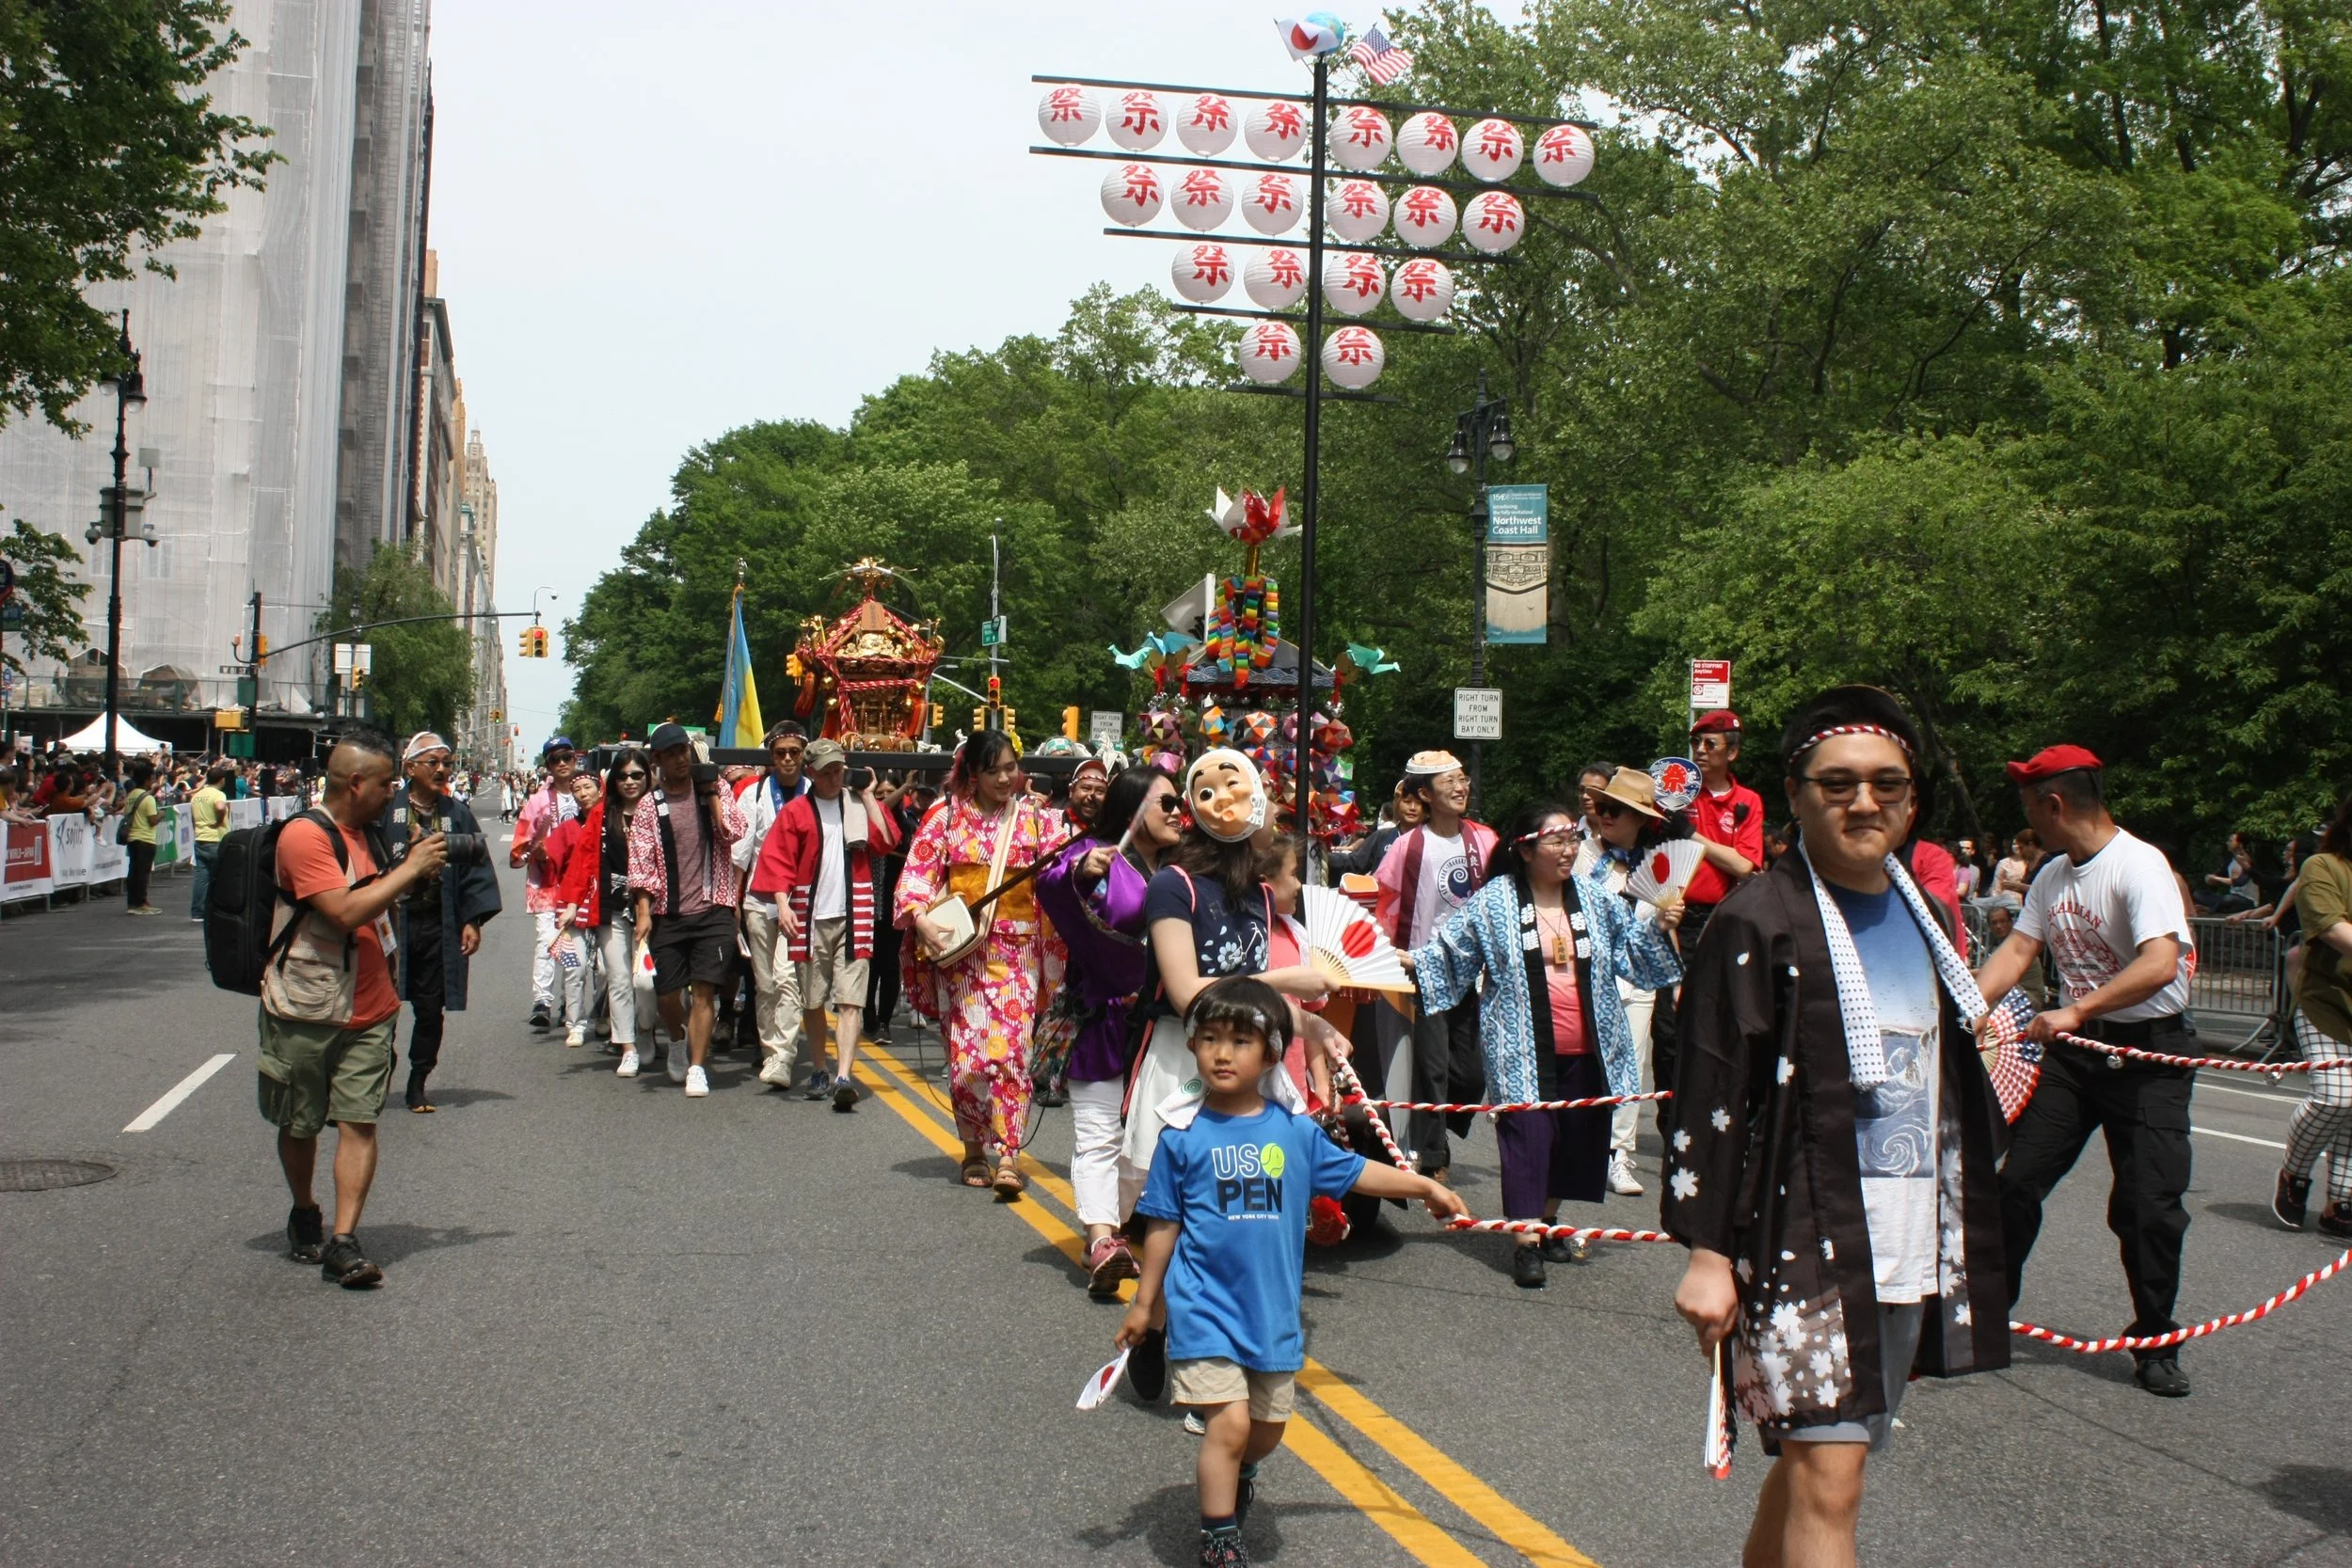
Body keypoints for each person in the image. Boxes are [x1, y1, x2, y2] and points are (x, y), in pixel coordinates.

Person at [1667, 687, 2011, 1568]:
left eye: (1888, 784)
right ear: (1796, 792)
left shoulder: (1930, 917)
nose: (1865, 802)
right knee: (1833, 1482)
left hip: (1905, 1242)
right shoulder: (1757, 918)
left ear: (1911, 797)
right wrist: (1708, 1251)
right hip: (1800, 1235)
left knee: (1820, 1465)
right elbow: (1714, 1087)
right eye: (1839, 783)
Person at [1116, 976, 1465, 1568]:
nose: (1222, 1054)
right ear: (1194, 1047)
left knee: (1266, 1429)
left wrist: (1424, 1183)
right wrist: (1146, 1305)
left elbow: (1356, 1173)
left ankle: (1241, 1472)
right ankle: (1220, 1541)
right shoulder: (1181, 1135)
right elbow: (1162, 1225)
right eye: (1209, 1040)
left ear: (1273, 1053)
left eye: (1240, 1041)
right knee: (1225, 1426)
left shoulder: (1293, 1131)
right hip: (1204, 1307)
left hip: (1271, 1312)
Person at [1974, 743, 2198, 1398]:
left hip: (2149, 1055)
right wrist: (1964, 1011)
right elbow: (2018, 949)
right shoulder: (2051, 875)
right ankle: (1985, 1314)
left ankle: (2156, 1336)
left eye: (2028, 806)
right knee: (2015, 1185)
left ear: (2055, 803)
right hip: (2076, 1060)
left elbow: (2162, 961)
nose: (2028, 820)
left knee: (2147, 1204)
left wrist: (2080, 1008)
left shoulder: (2139, 866)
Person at [1413, 798, 1680, 1287]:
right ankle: (1526, 1242)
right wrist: (1403, 964)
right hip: (1520, 1050)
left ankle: (1550, 1219)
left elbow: (1630, 955)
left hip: (1592, 1045)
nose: (1567, 849)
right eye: (1555, 840)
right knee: (1528, 1141)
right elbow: (1449, 952)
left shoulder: (1596, 898)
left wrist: (1658, 927)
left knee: (1576, 1140)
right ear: (1524, 848)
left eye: (1571, 839)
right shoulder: (1494, 901)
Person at [258, 728, 450, 1289]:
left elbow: (386, 897)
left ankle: (344, 1240)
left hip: (372, 1003)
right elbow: (341, 912)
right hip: (308, 1006)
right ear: (357, 783)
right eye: (388, 782)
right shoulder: (305, 836)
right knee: (300, 1121)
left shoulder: (375, 833)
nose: (394, 792)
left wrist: (414, 872)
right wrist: (408, 871)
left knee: (360, 1122)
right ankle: (304, 1210)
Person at [897, 731, 1067, 1194]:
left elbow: (1068, 867)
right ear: (973, 773)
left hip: (1020, 952)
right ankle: (973, 1146)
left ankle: (1009, 1152)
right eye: (994, 771)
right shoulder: (945, 817)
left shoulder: (1038, 820)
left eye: (1011, 767)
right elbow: (916, 875)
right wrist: (921, 917)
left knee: (1012, 1052)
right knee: (968, 1057)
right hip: (964, 955)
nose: (1006, 778)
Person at [1036, 763, 1182, 1293]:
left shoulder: (1181, 868)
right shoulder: (1093, 855)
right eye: (1166, 803)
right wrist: (1082, 874)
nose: (1177, 813)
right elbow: (1050, 884)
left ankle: (1113, 1229)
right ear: (1134, 808)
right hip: (1101, 1017)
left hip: (1160, 1028)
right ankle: (1102, 1239)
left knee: (1147, 1139)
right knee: (1100, 1138)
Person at [749, 738, 903, 1110]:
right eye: (828, 771)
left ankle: (844, 1075)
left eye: (839, 769)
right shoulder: (797, 811)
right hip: (810, 915)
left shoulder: (856, 805)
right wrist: (783, 904)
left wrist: (869, 797)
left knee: (851, 1001)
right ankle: (820, 1067)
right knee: (813, 1000)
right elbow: (778, 859)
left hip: (856, 915)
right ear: (812, 773)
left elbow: (887, 840)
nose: (835, 777)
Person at [1373, 750, 1499, 1180]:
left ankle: (1447, 1124)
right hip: (1424, 966)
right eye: (1450, 782)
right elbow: (1384, 901)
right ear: (1426, 794)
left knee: (1471, 1070)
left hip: (1473, 968)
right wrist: (1389, 956)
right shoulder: (1408, 846)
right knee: (1432, 1066)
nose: (1461, 787)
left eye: (1463, 779)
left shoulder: (1485, 839)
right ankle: (1433, 1151)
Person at [628, 723, 748, 1099]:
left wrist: (711, 794)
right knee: (666, 994)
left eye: (685, 751)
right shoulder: (651, 804)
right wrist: (644, 913)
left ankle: (697, 1065)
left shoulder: (716, 791)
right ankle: (676, 1039)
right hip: (668, 912)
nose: (681, 759)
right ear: (657, 761)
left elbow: (733, 832)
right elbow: (642, 861)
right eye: (672, 753)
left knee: (703, 993)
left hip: (713, 909)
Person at [384, 733, 502, 1110]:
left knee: (429, 1007)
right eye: (432, 762)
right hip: (391, 923)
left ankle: (418, 1080)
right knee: (378, 1005)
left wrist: (472, 920)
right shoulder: (386, 811)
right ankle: (377, 1071)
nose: (441, 770)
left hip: (437, 924)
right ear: (409, 768)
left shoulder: (457, 812)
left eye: (446, 763)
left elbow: (476, 869)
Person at [1581, 767, 1682, 1197]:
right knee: (1585, 1064)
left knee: (1631, 1065)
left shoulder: (1659, 864)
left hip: (1638, 980)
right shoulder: (1579, 854)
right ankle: (1580, 1147)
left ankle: (1619, 1156)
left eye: (1616, 811)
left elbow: (1664, 923)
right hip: (1588, 975)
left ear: (1642, 819)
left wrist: (1675, 973)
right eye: (1602, 807)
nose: (1605, 816)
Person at [556, 746, 660, 1077]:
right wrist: (571, 904)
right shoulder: (602, 814)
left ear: (648, 777)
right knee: (617, 977)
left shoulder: (659, 809)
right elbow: (583, 860)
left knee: (645, 983)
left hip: (655, 908)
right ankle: (627, 1045)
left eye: (637, 775)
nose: (630, 782)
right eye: (623, 776)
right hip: (612, 908)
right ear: (613, 780)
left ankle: (646, 1031)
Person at [2277, 796, 2352, 1236]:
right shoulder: (2323, 867)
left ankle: (2339, 1202)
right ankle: (2294, 1172)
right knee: (2338, 1096)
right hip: (2326, 1003)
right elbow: (2332, 929)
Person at [733, 722, 811, 1085]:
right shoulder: (755, 793)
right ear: (771, 756)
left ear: (804, 755)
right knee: (764, 982)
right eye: (781, 753)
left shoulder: (814, 793)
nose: (788, 759)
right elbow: (741, 853)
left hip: (800, 900)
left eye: (794, 752)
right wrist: (733, 901)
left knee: (787, 977)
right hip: (759, 897)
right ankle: (770, 1051)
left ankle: (784, 1055)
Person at [511, 737, 583, 1030]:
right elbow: (520, 845)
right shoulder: (537, 802)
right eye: (555, 759)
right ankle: (542, 1001)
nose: (563, 763)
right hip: (547, 884)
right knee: (547, 941)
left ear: (576, 759)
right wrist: (535, 852)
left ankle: (571, 1000)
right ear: (548, 766)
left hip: (580, 883)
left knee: (576, 946)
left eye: (567, 756)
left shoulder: (588, 793)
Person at [540, 771, 609, 1045]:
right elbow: (549, 860)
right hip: (571, 902)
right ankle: (575, 1023)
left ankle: (604, 1014)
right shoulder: (567, 828)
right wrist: (536, 847)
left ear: (600, 789)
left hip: (605, 902)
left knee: (607, 969)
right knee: (574, 966)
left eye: (587, 787)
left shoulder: (612, 822)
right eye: (577, 789)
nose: (582, 793)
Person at [119, 758, 163, 914]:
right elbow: (152, 820)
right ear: (146, 780)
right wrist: (161, 814)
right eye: (152, 778)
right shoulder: (148, 799)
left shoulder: (132, 796)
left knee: (133, 872)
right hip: (145, 838)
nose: (153, 781)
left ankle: (132, 903)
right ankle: (141, 903)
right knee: (142, 874)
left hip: (132, 838)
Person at [188, 763, 230, 922]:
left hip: (200, 838)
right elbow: (220, 808)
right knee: (221, 876)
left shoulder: (197, 795)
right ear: (221, 780)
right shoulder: (218, 795)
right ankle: (220, 910)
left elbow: (193, 817)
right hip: (216, 838)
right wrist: (219, 820)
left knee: (202, 877)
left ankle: (197, 912)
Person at [1993, 830, 2042, 899]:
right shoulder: (2003, 863)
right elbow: (1996, 887)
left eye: (2020, 846)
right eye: (2014, 844)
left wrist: (2018, 886)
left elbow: (2040, 888)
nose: (2017, 847)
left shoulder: (2033, 863)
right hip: (2007, 902)